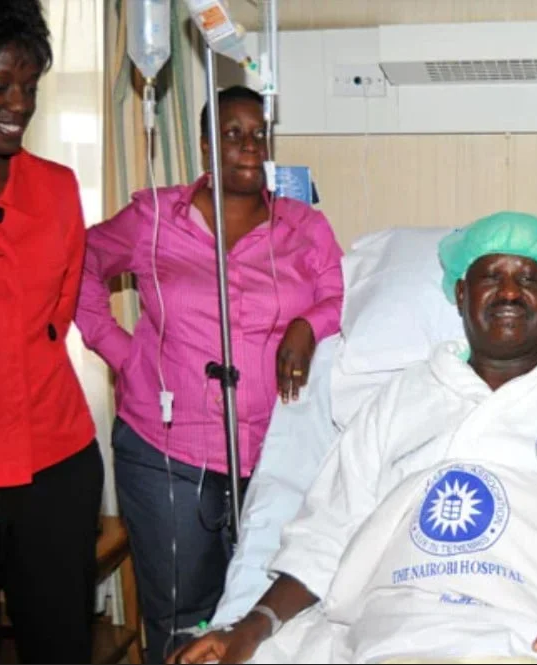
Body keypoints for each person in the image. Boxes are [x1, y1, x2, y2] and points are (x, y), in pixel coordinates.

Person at [171, 212, 537, 665]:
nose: (509, 291)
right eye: (490, 277)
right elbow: (328, 531)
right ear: (461, 296)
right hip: (403, 625)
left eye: (526, 279)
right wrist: (252, 627)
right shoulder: (403, 396)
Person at [75, 85, 344, 662]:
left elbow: (342, 297)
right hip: (166, 451)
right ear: (204, 146)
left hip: (274, 454)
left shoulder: (302, 227)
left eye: (258, 134)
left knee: (261, 615)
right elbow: (80, 264)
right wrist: (121, 352)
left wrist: (307, 323)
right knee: (180, 614)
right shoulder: (153, 218)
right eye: (232, 135)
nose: (249, 147)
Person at [0, 1, 105, 662]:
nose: (17, 104)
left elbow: (59, 310)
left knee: (60, 643)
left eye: (29, 88)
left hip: (57, 460)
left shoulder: (55, 188)